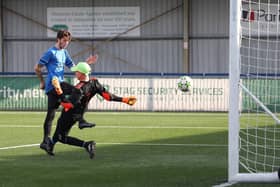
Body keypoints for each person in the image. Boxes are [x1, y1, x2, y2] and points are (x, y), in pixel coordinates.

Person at [47, 62, 137, 159]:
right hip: (80, 112)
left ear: (81, 73)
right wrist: (124, 100)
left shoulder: (79, 88)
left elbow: (68, 105)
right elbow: (108, 97)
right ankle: (50, 146)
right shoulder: (94, 82)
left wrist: (58, 91)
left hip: (70, 114)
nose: (75, 73)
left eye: (76, 71)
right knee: (59, 131)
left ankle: (87, 144)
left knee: (62, 137)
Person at [34, 30, 98, 154]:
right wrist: (42, 81)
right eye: (64, 41)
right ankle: (80, 121)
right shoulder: (50, 53)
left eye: (68, 41)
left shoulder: (64, 52)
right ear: (58, 39)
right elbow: (37, 68)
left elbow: (74, 67)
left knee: (51, 115)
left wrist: (86, 63)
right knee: (77, 93)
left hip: (60, 86)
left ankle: (46, 142)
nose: (66, 43)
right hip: (53, 85)